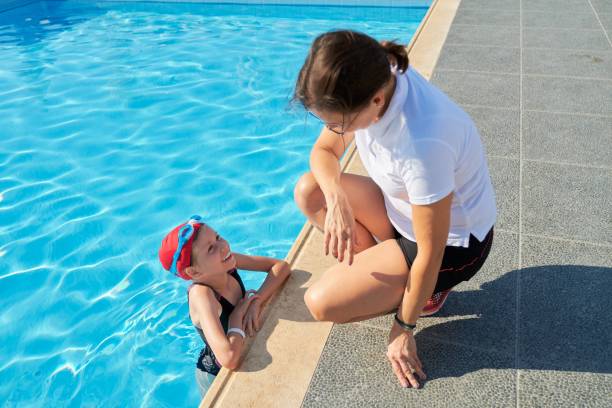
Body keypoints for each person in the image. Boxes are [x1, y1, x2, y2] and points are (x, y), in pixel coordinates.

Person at [292, 30, 496, 389]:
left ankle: (422, 293)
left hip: (452, 245)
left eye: (337, 124)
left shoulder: (423, 142)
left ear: (375, 101)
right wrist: (336, 194)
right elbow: (323, 154)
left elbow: (431, 252)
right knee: (311, 190)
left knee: (321, 303)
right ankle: (389, 271)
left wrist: (403, 328)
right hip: (403, 212)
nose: (332, 131)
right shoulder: (375, 67)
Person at [158, 215, 291, 396]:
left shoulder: (226, 262)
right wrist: (236, 319)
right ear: (194, 271)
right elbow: (228, 358)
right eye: (211, 248)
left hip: (240, 350)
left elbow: (280, 266)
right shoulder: (202, 295)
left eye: (218, 237)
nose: (224, 246)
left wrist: (256, 301)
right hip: (216, 377)